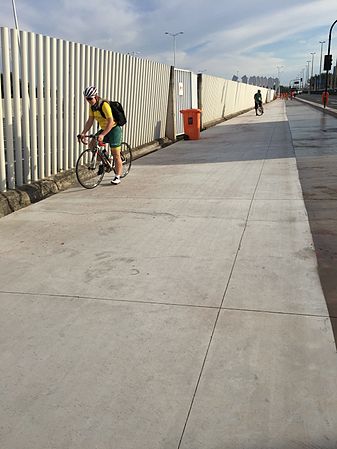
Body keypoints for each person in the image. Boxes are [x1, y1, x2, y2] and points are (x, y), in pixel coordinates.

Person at [79, 86, 122, 185]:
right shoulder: (92, 107)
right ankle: (106, 159)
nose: (88, 101)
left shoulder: (104, 105)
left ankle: (117, 176)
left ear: (96, 96)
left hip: (114, 129)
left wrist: (102, 134)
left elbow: (111, 122)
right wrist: (83, 133)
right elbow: (90, 121)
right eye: (87, 98)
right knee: (92, 145)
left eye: (90, 98)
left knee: (116, 154)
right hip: (104, 129)